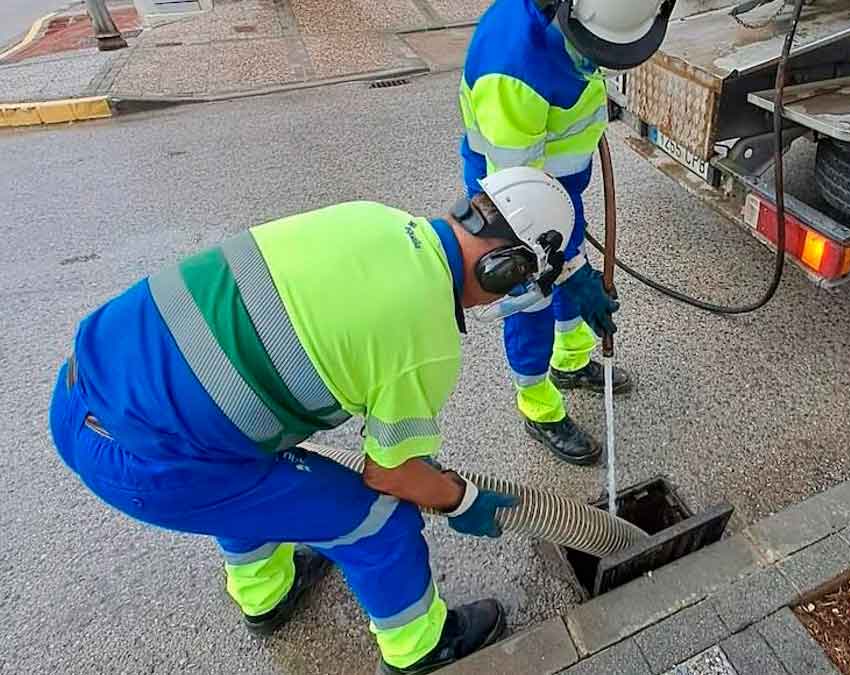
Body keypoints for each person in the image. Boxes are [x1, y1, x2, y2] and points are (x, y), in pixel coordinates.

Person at [47, 167, 580, 675]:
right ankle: (420, 649)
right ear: (504, 266)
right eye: (520, 279)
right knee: (379, 520)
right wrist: (460, 499)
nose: (511, 294)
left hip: (84, 388)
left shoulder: (373, 217)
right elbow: (389, 475)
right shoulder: (427, 338)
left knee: (251, 472)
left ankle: (266, 596)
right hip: (152, 462)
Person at [459, 0, 675, 464]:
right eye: (590, 51)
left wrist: (572, 261)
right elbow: (517, 202)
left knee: (570, 274)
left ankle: (571, 364)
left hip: (556, 190)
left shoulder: (583, 14)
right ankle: (538, 407)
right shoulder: (512, 71)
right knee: (534, 295)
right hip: (510, 202)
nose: (593, 62)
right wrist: (570, 268)